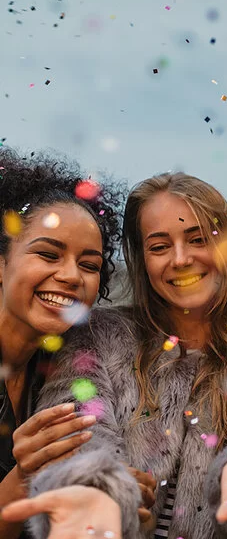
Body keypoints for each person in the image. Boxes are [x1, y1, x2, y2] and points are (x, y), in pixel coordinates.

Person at [14, 172, 227, 539]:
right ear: (142, 259)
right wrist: (96, 490)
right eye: (159, 246)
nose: (180, 259)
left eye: (198, 239)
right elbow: (77, 433)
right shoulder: (98, 338)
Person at [0, 148, 127, 539]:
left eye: (89, 265)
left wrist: (117, 491)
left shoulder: (66, 365)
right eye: (48, 254)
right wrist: (23, 477)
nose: (71, 276)